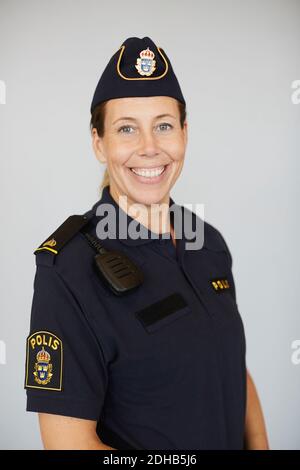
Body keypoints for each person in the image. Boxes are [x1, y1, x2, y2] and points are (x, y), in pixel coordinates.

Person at [24, 36, 269, 450]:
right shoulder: (67, 271)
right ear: (98, 142)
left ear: (185, 133)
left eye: (163, 125)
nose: (149, 148)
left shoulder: (208, 244)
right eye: (126, 129)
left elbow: (231, 367)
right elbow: (70, 445)